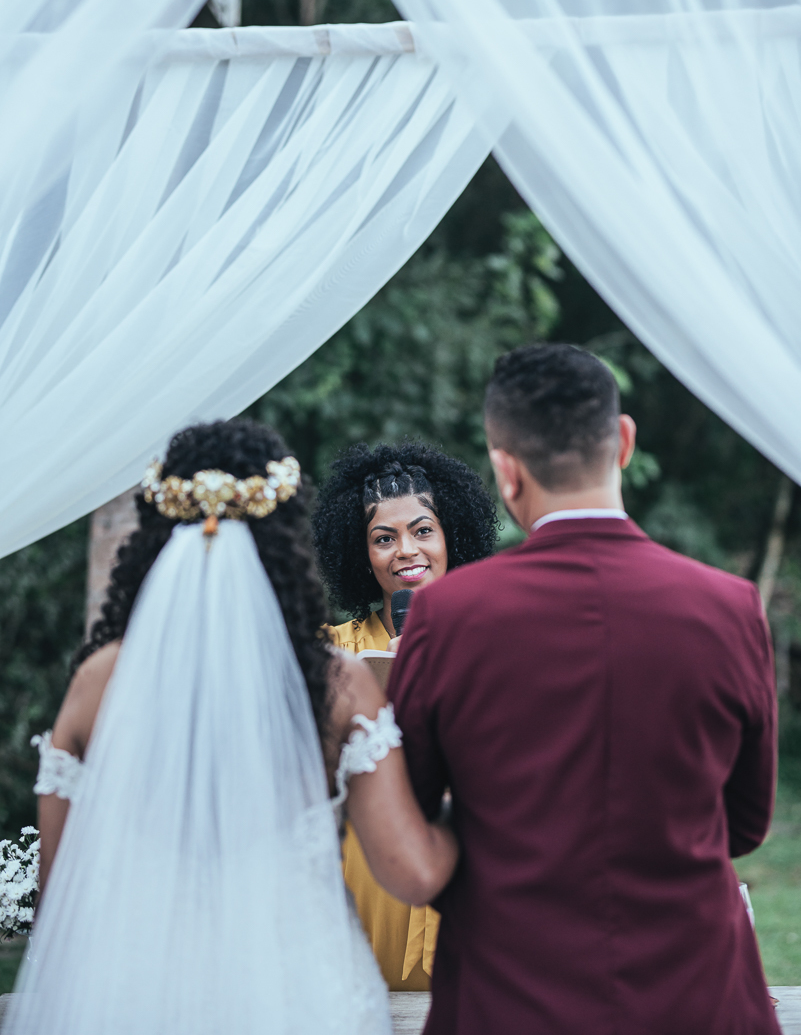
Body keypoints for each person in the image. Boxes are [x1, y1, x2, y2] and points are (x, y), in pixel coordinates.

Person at [9, 419, 457, 1035]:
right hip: (298, 1001)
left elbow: (55, 904)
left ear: (156, 536)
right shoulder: (332, 682)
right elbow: (414, 873)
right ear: (285, 541)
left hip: (134, 1002)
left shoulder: (96, 684)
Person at [389, 343, 780, 1035]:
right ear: (624, 441)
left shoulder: (447, 615)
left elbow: (412, 810)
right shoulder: (730, 607)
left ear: (505, 471)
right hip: (697, 998)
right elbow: (745, 823)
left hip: (507, 997)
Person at [313, 443, 497, 991]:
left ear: (452, 537)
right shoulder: (328, 652)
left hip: (470, 886)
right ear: (360, 553)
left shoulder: (500, 640)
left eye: (422, 530)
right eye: (383, 538)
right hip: (365, 884)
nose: (405, 551)